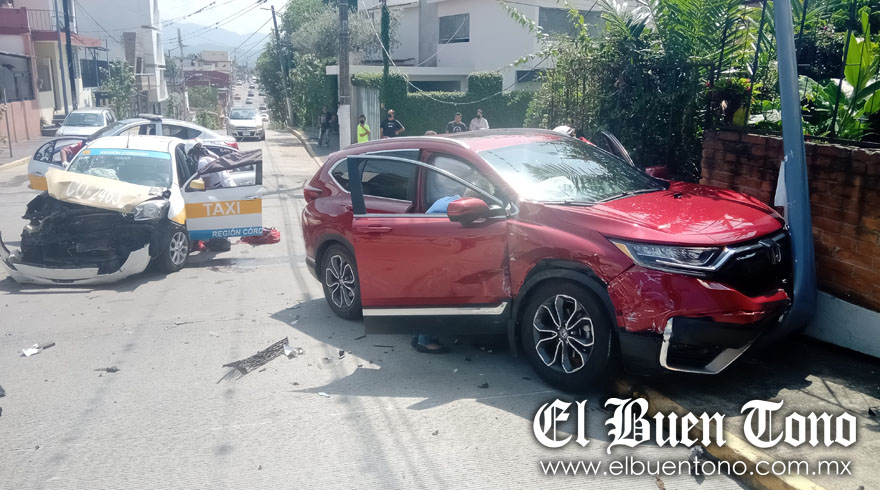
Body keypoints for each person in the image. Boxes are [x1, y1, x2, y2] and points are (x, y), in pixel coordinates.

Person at [186, 139, 235, 252]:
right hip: (226, 187)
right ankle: (220, 240)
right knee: (220, 217)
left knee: (216, 218)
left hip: (220, 189)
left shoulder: (202, 162)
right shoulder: (210, 156)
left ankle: (221, 242)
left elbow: (206, 182)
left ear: (193, 153)